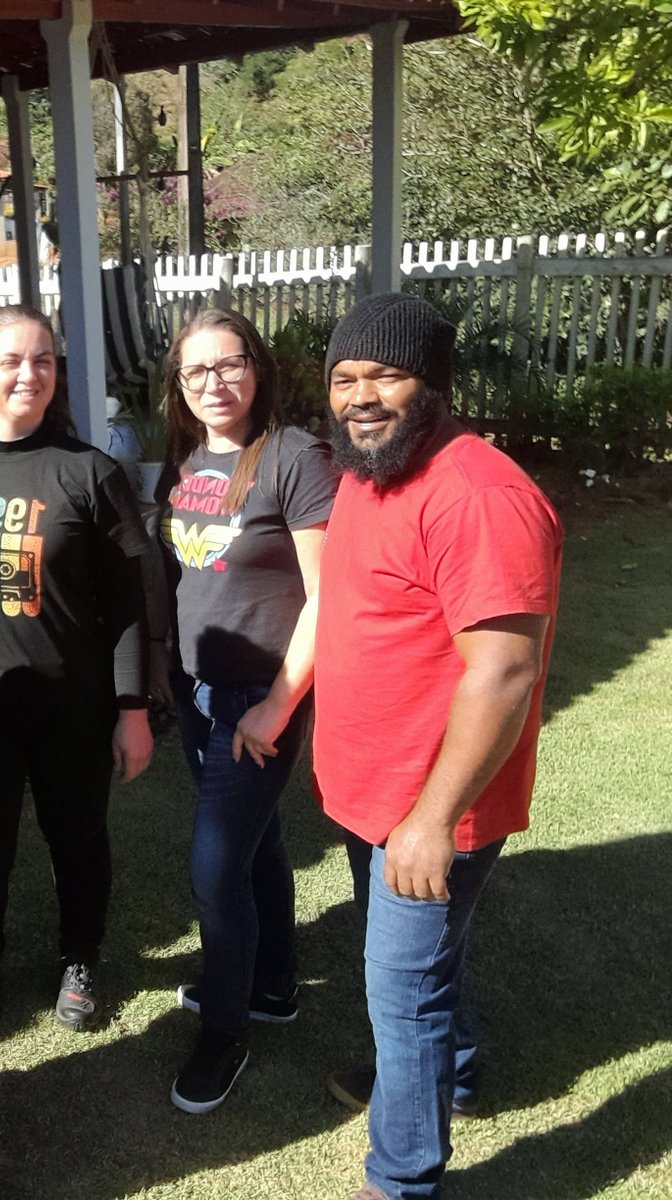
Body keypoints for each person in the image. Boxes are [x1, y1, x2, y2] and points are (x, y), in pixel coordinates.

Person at [314, 294, 562, 1200]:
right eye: (345, 378)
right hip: (371, 794)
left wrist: (431, 821)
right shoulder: (369, 471)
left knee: (402, 993)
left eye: (386, 375)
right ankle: (445, 1077)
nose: (361, 396)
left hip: (428, 812)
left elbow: (504, 672)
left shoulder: (480, 496)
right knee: (417, 971)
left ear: (435, 386)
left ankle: (401, 1179)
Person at [0, 304, 159, 1032]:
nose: (30, 373)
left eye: (43, 359)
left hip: (71, 706)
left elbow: (130, 606)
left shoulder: (89, 472)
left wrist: (133, 710)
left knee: (75, 838)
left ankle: (79, 957)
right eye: (12, 360)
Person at [157, 308, 338, 1113]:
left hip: (258, 697)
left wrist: (278, 703)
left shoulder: (296, 457)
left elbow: (327, 597)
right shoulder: (188, 457)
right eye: (196, 370)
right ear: (178, 384)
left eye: (229, 364)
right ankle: (271, 985)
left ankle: (224, 1032)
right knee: (257, 844)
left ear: (256, 368)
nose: (214, 382)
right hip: (199, 690)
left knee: (215, 865)